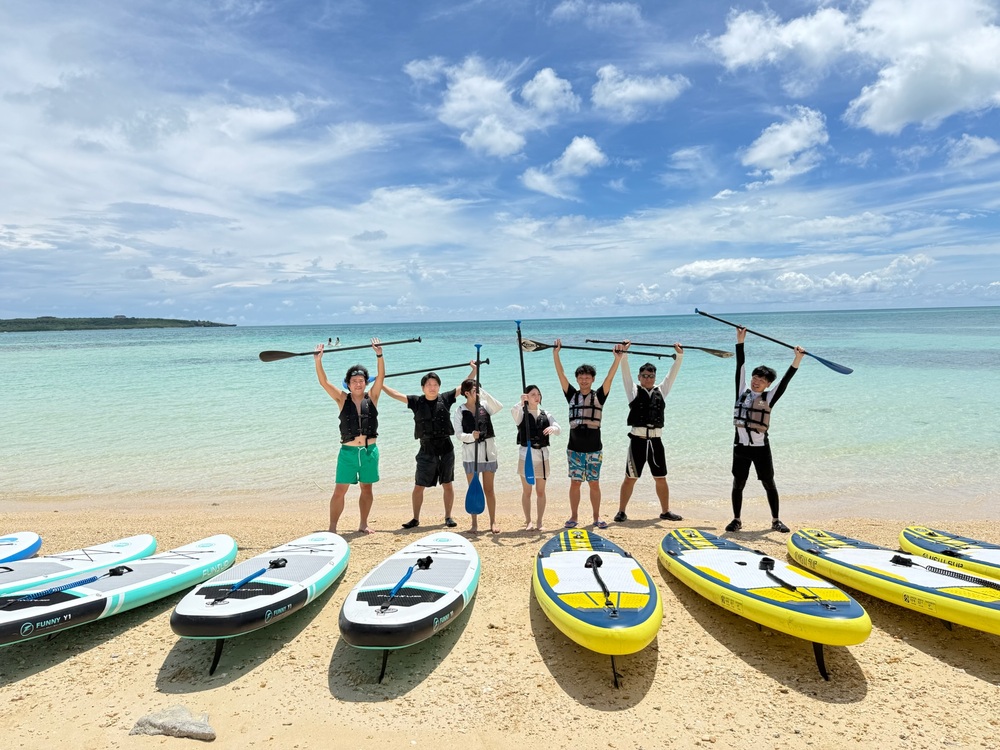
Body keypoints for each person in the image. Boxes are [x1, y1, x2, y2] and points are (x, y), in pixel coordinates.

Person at [725, 327, 805, 533]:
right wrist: (740, 341)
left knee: (769, 483)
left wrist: (797, 359)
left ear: (768, 384)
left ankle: (776, 520)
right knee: (738, 484)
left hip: (761, 448)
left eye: (761, 380)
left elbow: (785, 381)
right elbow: (739, 366)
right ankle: (736, 519)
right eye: (755, 378)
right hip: (740, 447)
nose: (756, 381)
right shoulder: (742, 390)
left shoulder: (769, 397)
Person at [382, 363, 477, 529]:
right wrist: (380, 383)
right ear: (423, 387)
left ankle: (448, 516)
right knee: (419, 485)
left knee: (447, 483)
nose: (432, 388)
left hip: (446, 448)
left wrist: (474, 370)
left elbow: (463, 386)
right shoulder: (416, 402)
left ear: (439, 387)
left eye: (435, 385)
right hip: (426, 449)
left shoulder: (446, 398)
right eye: (429, 385)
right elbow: (396, 394)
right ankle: (415, 518)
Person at [313, 337, 384, 534]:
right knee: (339, 491)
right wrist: (318, 361)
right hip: (348, 453)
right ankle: (332, 528)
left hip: (369, 452)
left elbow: (381, 377)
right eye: (354, 381)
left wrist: (379, 355)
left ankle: (363, 524)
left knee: (367, 489)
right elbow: (324, 382)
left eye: (361, 381)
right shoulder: (342, 399)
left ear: (365, 383)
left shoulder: (373, 397)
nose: (358, 384)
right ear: (348, 384)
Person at [552, 340, 625, 529]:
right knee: (575, 483)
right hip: (574, 449)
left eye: (587, 377)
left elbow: (610, 377)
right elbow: (560, 374)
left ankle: (596, 517)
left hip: (594, 449)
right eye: (581, 377)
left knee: (594, 483)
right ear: (577, 379)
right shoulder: (571, 395)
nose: (584, 380)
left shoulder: (599, 396)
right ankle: (574, 516)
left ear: (592, 379)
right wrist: (556, 354)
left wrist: (617, 359)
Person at [614, 342, 684, 523]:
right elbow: (625, 374)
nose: (648, 378)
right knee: (630, 478)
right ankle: (621, 511)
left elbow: (672, 376)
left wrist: (679, 357)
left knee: (661, 477)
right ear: (640, 377)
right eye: (644, 376)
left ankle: (665, 511)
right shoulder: (633, 391)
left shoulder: (661, 391)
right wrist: (624, 354)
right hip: (637, 441)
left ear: (654, 377)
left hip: (656, 442)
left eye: (651, 376)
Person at [453, 380, 503, 534]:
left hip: (488, 453)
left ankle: (492, 522)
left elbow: (498, 406)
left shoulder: (485, 405)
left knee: (489, 489)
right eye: (474, 389)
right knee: (474, 489)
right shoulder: (459, 410)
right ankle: (474, 524)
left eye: (477, 389)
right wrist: (471, 436)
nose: (477, 392)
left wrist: (483, 392)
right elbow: (458, 434)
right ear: (466, 393)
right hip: (471, 455)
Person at [511, 385, 561, 532]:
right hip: (526, 456)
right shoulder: (521, 413)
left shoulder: (546, 414)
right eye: (533, 394)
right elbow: (513, 412)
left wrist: (554, 429)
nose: (536, 397)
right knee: (527, 491)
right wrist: (520, 402)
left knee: (540, 491)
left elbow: (558, 428)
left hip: (542, 456)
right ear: (527, 396)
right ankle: (528, 522)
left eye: (538, 394)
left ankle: (539, 522)